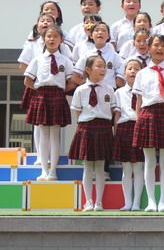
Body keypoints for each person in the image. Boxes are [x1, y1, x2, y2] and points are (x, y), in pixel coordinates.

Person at [132, 34, 164, 212]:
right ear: (148, 48)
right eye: (156, 45)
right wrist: (139, 120)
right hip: (147, 114)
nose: (159, 48)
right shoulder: (142, 73)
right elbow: (139, 100)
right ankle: (150, 201)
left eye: (163, 45)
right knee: (149, 161)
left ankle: (163, 201)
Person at [23, 26, 74, 181]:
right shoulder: (37, 59)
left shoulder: (66, 61)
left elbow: (71, 81)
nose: (52, 39)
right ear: (43, 39)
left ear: (61, 40)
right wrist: (39, 89)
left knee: (55, 134)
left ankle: (53, 171)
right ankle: (44, 171)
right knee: (44, 134)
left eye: (55, 36)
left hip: (57, 95)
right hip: (42, 95)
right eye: (49, 36)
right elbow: (27, 81)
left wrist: (61, 90)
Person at [69, 55, 116, 211]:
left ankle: (99, 202)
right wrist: (83, 127)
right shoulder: (80, 90)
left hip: (104, 127)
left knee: (101, 167)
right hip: (86, 127)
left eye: (104, 66)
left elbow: (113, 110)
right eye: (98, 66)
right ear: (88, 70)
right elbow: (77, 112)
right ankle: (88, 201)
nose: (103, 69)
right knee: (88, 167)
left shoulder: (109, 89)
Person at [113, 59, 145, 211]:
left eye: (137, 69)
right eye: (130, 68)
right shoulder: (118, 93)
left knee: (138, 168)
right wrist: (116, 133)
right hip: (124, 129)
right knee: (126, 169)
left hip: (140, 128)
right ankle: (128, 202)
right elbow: (117, 114)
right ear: (124, 73)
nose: (133, 71)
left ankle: (136, 203)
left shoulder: (145, 92)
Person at [73, 22, 124, 89]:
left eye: (103, 30)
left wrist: (111, 87)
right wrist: (88, 86)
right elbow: (75, 77)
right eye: (96, 30)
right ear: (91, 35)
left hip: (108, 92)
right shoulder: (86, 55)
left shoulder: (114, 56)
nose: (100, 32)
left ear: (108, 36)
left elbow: (120, 77)